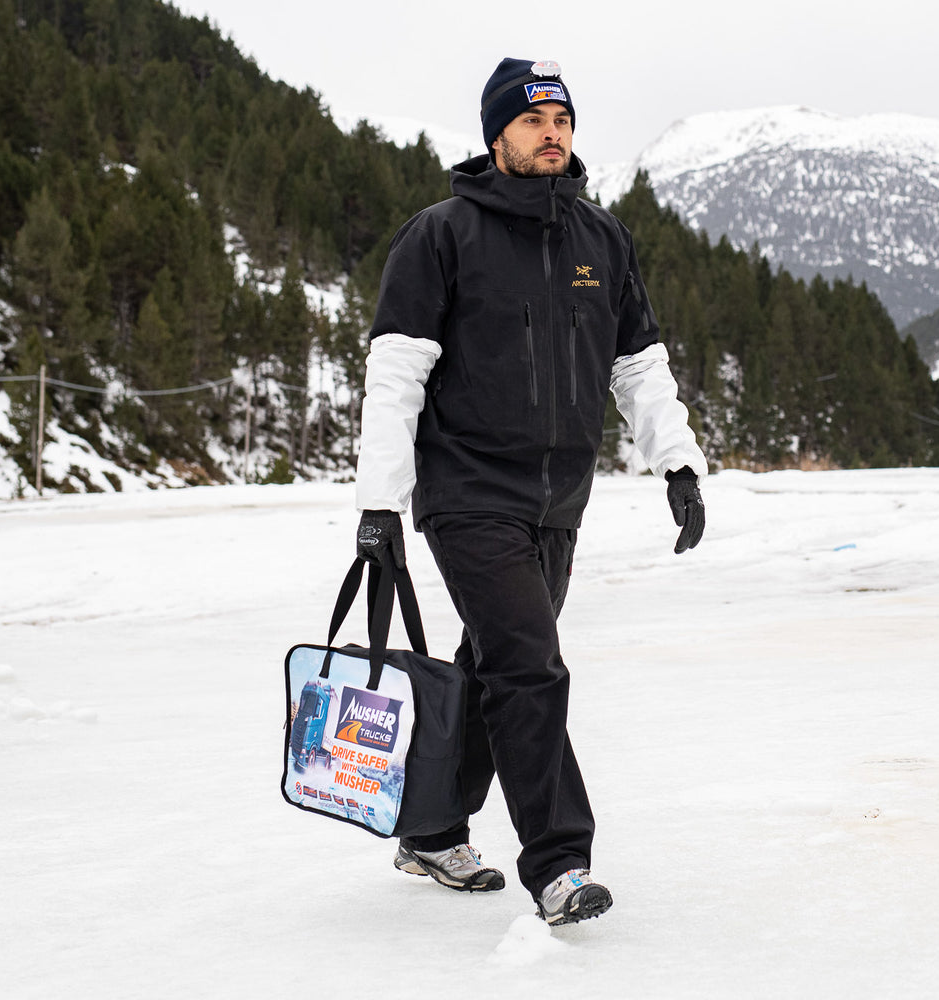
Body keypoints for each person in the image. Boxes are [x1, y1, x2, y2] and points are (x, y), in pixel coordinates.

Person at [352, 57, 708, 926]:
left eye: (564, 120)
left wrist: (679, 463)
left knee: (492, 665)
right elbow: (396, 374)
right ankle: (559, 862)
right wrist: (379, 502)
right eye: (533, 120)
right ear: (497, 135)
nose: (553, 134)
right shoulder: (439, 236)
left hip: (559, 500)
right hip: (467, 490)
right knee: (531, 667)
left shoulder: (602, 240)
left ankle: (431, 829)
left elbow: (639, 368)